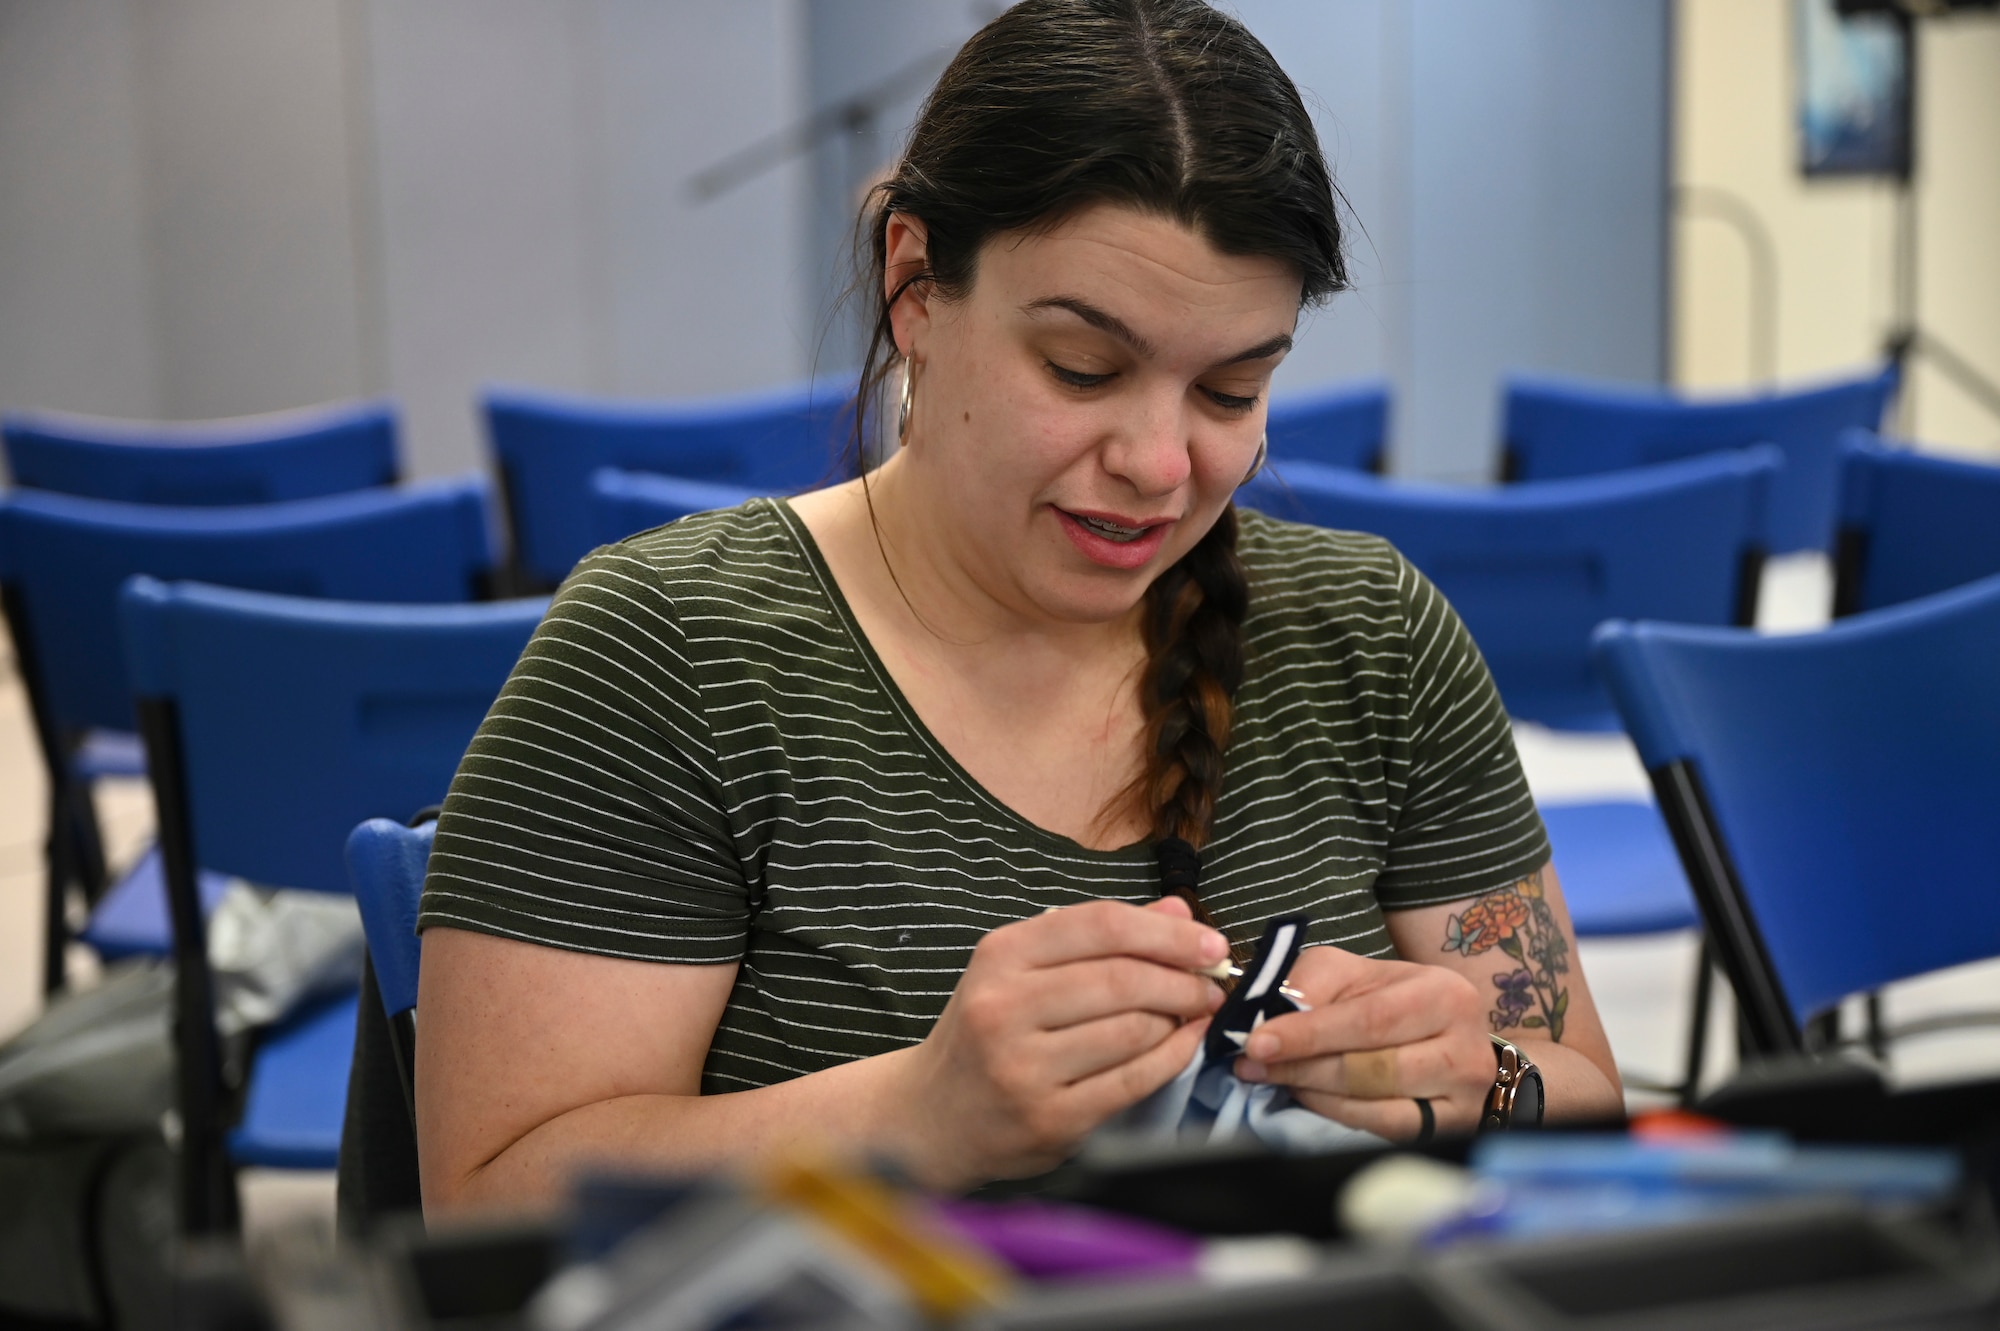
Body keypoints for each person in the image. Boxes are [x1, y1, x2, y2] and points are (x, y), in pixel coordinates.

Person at [414, 0, 1623, 1216]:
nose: (1158, 463)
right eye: (1080, 368)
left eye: (1228, 387)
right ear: (914, 289)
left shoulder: (1373, 636)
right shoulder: (673, 652)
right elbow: (483, 1204)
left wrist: (1481, 1077)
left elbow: (1583, 1091)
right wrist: (912, 1115)